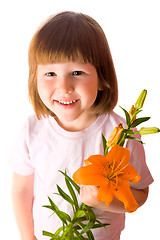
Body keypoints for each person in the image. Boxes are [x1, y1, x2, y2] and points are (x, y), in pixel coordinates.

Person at [10, 11, 154, 240]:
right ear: (34, 79)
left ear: (102, 78)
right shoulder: (32, 130)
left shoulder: (121, 133)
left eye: (77, 72)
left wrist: (106, 201)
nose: (64, 86)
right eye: (50, 73)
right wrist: (28, 237)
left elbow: (140, 194)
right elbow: (21, 190)